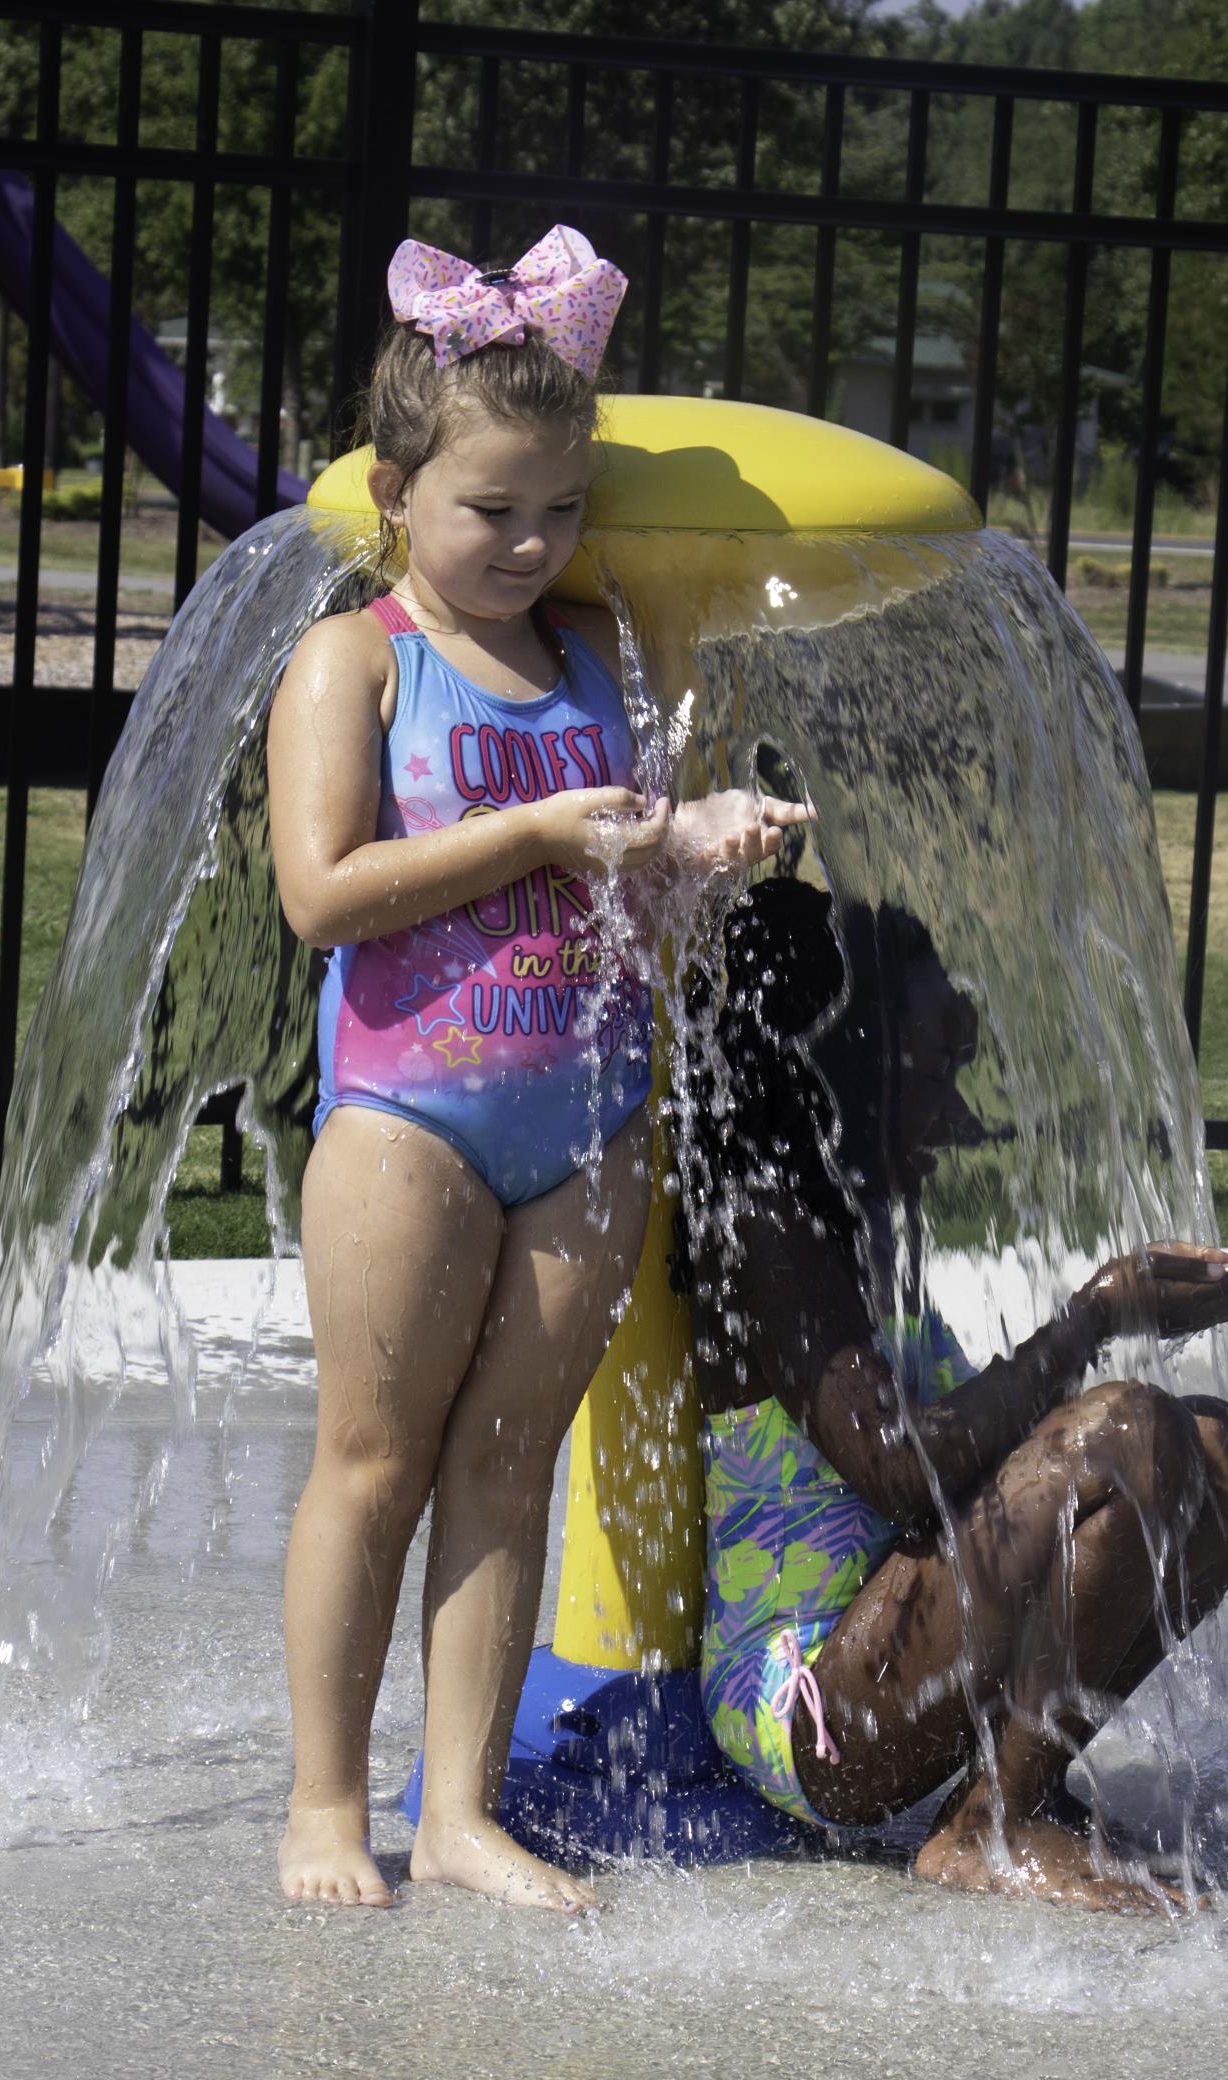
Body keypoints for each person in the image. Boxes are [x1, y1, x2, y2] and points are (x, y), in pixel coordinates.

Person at [266, 226, 806, 1912]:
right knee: (377, 1457)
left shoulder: (595, 663)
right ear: (398, 489)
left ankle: (462, 1809)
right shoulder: (357, 661)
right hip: (410, 1113)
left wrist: (700, 845)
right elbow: (321, 892)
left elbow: (620, 871)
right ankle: (322, 1799)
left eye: (559, 511)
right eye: (491, 510)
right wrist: (525, 833)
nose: (529, 543)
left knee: (510, 1461)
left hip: (583, 1111)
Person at [678, 876, 1228, 1912]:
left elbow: (982, 1467)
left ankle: (1019, 1787)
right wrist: (1090, 1320)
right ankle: (987, 1828)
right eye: (930, 1070)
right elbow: (895, 1471)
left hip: (897, 1647)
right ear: (847, 1069)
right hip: (811, 1705)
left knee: (1223, 1453)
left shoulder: (867, 1234)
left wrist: (1109, 1335)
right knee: (1130, 1433)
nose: (955, 1114)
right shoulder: (764, 1232)